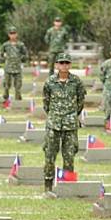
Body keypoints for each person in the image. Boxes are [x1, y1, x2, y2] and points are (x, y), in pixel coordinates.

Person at [42, 53, 86, 192]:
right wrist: (55, 115)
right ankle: (48, 185)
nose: (64, 65)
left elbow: (80, 102)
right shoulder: (50, 82)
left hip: (70, 124)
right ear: (56, 65)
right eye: (61, 63)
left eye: (66, 63)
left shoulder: (76, 81)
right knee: (50, 155)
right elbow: (46, 102)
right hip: (53, 123)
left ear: (70, 65)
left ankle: (68, 186)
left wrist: (72, 115)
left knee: (69, 156)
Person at [0, 26, 28, 101]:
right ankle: (5, 99)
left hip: (17, 68)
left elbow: (25, 54)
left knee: (18, 85)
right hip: (8, 67)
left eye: (14, 33)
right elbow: (1, 55)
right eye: (11, 33)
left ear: (17, 34)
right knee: (6, 84)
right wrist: (3, 60)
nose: (13, 35)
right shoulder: (5, 45)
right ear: (9, 35)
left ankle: (17, 100)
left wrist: (21, 59)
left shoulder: (20, 45)